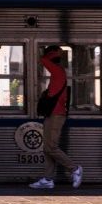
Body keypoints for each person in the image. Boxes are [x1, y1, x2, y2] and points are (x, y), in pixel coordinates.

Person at [30, 44, 82, 190]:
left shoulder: (58, 71)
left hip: (56, 114)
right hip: (51, 114)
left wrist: (49, 52)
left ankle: (74, 169)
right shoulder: (57, 73)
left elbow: (43, 61)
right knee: (47, 148)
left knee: (51, 147)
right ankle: (48, 179)